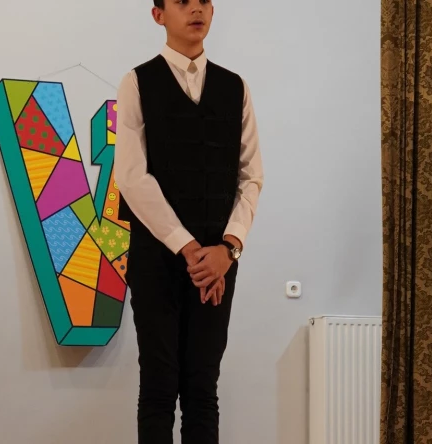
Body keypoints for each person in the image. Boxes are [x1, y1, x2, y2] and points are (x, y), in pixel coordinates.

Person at [114, 0, 264, 442]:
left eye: (204, 1)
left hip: (218, 260)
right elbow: (131, 175)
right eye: (182, 1)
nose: (195, 9)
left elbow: (251, 176)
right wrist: (188, 246)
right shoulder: (137, 82)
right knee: (159, 387)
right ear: (158, 14)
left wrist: (229, 249)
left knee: (202, 388)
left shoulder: (235, 87)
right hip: (157, 258)